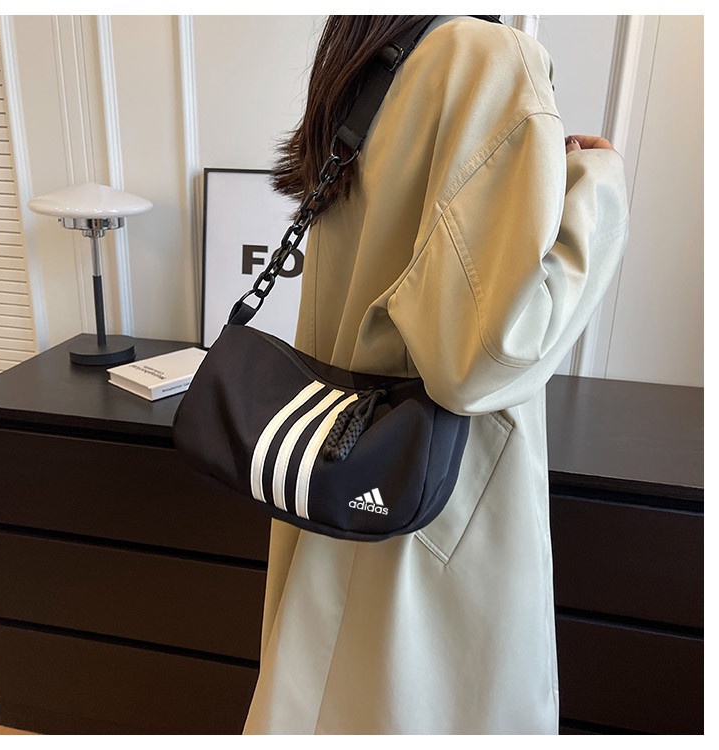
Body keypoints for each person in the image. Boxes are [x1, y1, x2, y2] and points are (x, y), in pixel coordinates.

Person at [243, 15, 629, 734]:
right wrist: (598, 186)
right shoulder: (488, 58)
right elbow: (485, 360)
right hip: (436, 509)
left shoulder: (370, 59)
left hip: (342, 467)